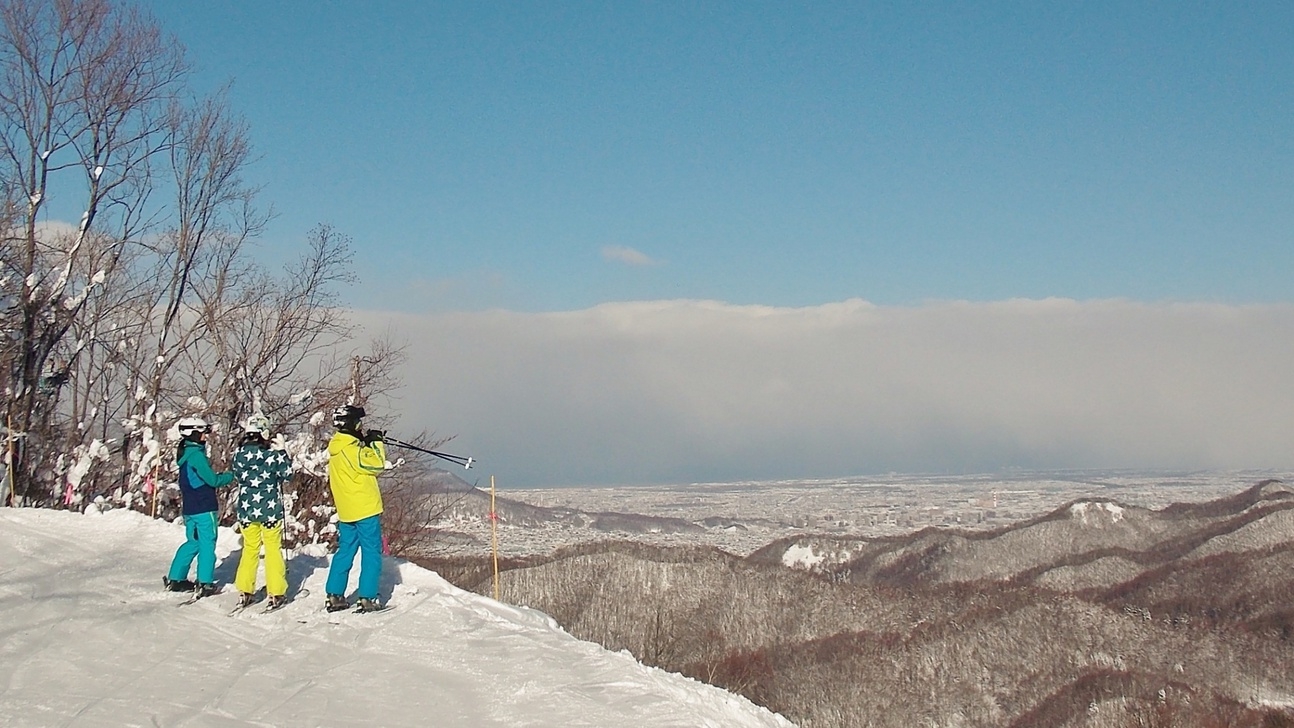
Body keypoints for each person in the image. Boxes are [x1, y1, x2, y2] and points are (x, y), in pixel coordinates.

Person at [324, 404, 388, 612]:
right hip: (365, 508)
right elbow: (376, 464)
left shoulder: (338, 447)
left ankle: (334, 594)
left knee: (345, 551)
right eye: (358, 422)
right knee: (371, 552)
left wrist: (365, 443)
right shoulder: (352, 450)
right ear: (351, 424)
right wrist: (376, 443)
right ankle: (367, 597)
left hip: (346, 510)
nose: (361, 426)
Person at [164, 416, 234, 597]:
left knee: (193, 542)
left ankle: (176, 578)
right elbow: (212, 480)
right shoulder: (196, 456)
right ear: (194, 433)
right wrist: (230, 476)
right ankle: (205, 582)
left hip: (190, 508)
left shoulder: (186, 454)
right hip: (204, 507)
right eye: (203, 432)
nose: (205, 436)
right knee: (207, 544)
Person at [232, 413, 294, 610]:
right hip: (269, 511)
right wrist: (282, 452)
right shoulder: (271, 456)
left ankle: (245, 590)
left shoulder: (239, 455)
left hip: (246, 511)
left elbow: (236, 475)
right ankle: (276, 592)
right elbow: (287, 475)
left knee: (250, 548)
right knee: (272, 549)